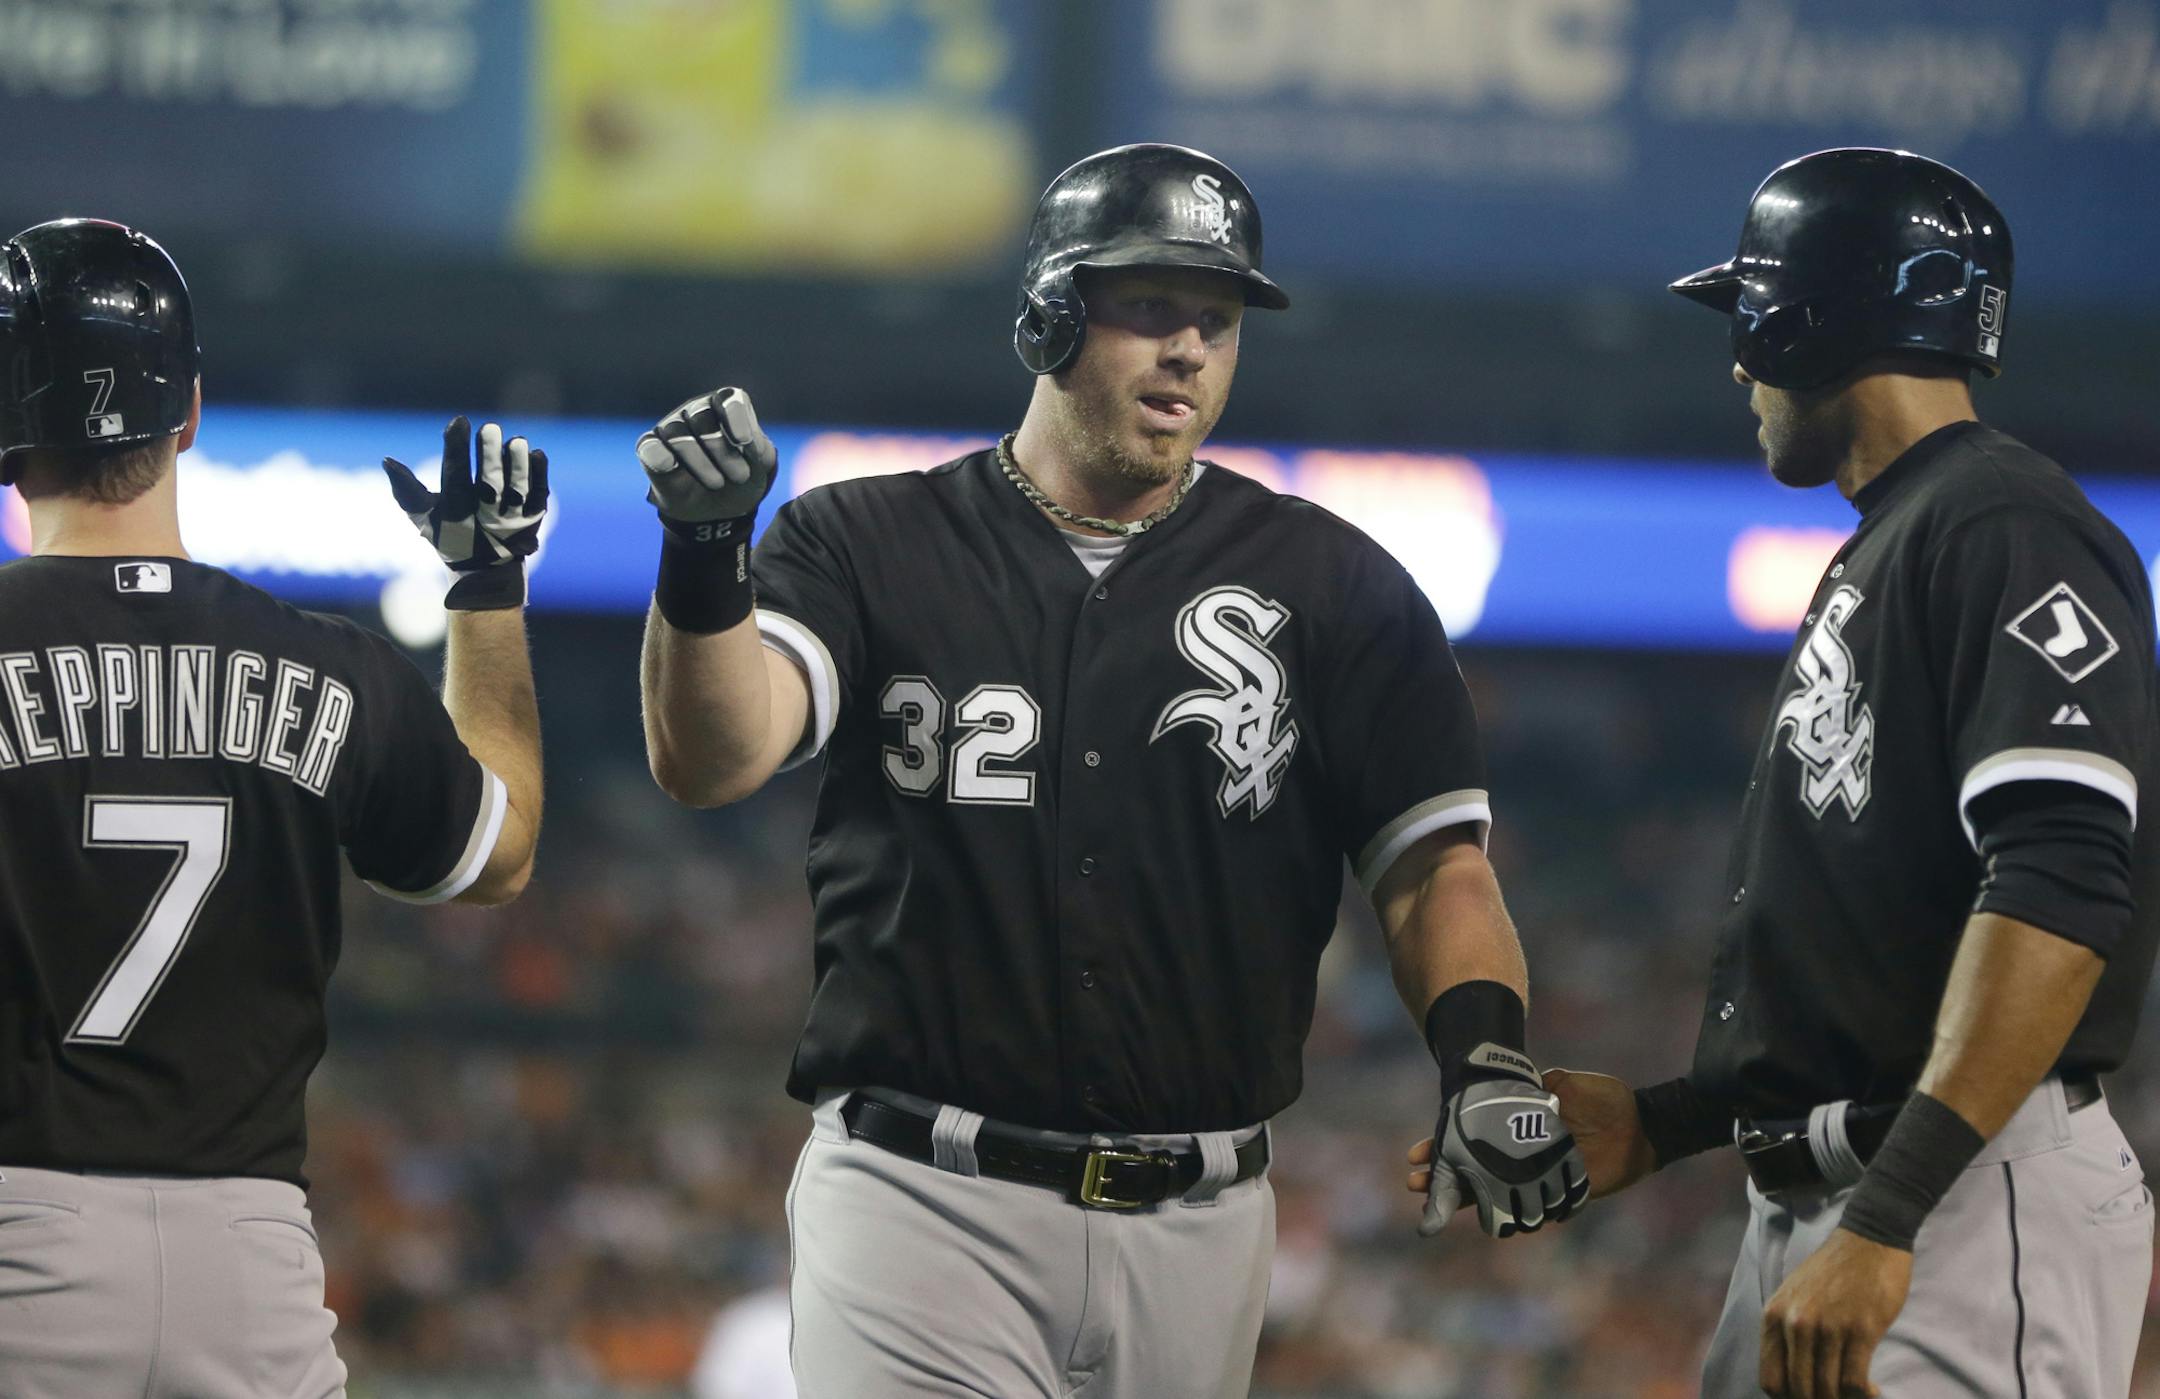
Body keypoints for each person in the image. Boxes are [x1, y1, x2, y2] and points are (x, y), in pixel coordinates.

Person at [636, 143, 1586, 1398]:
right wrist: (708, 559)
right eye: (1152, 308)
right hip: (926, 1197)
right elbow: (715, 754)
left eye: (1218, 319)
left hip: (1203, 1217)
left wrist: (1485, 1056)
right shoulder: (868, 537)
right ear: (1049, 315)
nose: (1190, 348)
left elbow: (1434, 862)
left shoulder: (1338, 585)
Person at [1548, 148, 2158, 1399]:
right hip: (1855, 1195)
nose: (1739, 363)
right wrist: (1666, 1123)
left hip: (1956, 1201)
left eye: (1749, 317)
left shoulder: (2002, 523)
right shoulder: (1902, 537)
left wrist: (1888, 1215)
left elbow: (2059, 887)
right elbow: (1875, 950)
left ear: (1808, 317)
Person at [0, 218, 548, 1397]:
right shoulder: (331, 667)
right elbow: (502, 850)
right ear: (188, 413)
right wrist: (486, 589)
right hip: (249, 1257)